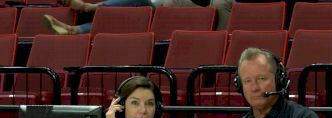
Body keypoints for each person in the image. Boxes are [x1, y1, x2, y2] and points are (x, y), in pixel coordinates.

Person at [42, 0, 235, 35]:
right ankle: (76, 30)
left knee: (137, 2)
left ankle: (89, 8)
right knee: (126, 21)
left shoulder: (222, 3)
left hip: (158, 19)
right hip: (154, 15)